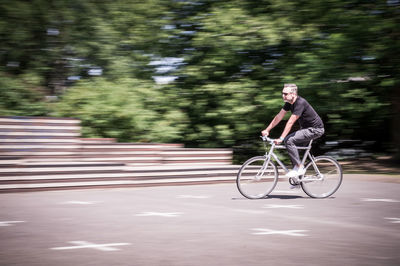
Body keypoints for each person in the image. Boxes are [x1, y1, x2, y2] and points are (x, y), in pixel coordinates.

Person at [261, 84, 324, 182]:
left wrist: (281, 138)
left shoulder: (300, 102)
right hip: (305, 129)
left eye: (285, 94)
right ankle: (298, 180)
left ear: (293, 94)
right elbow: (279, 116)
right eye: (282, 93)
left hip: (315, 129)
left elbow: (290, 122)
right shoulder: (289, 103)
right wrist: (267, 129)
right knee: (293, 152)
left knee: (289, 140)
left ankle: (299, 168)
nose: (283, 96)